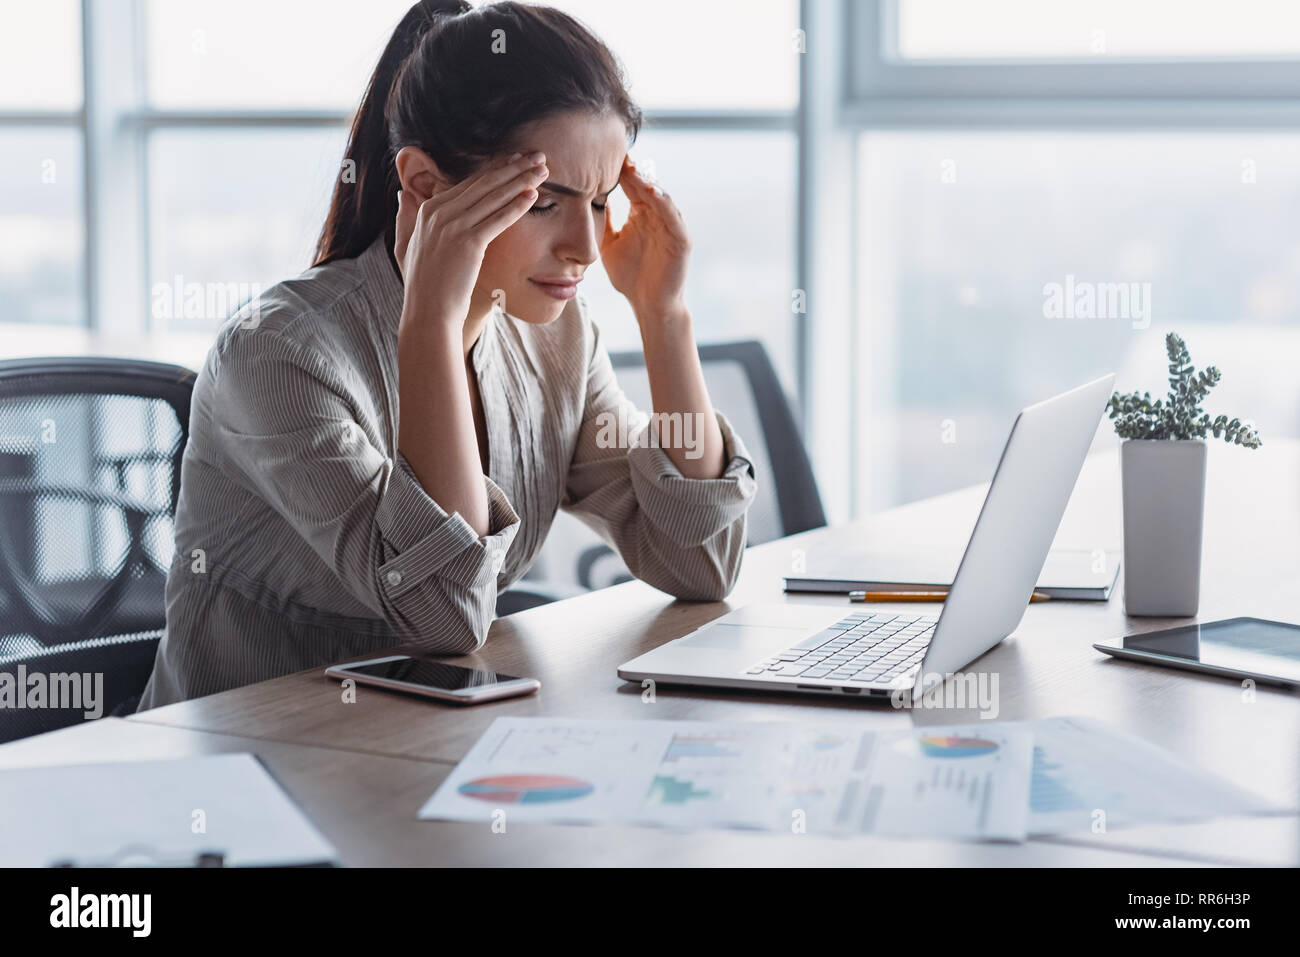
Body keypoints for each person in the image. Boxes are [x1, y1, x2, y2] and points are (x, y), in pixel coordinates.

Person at [136, 0, 756, 710]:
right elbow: (444, 615)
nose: (586, 249)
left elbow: (700, 561)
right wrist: (430, 321)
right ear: (427, 187)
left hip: (427, 754)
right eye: (544, 203)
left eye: (598, 202)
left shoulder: (557, 338)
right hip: (246, 778)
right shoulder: (279, 356)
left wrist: (664, 313)